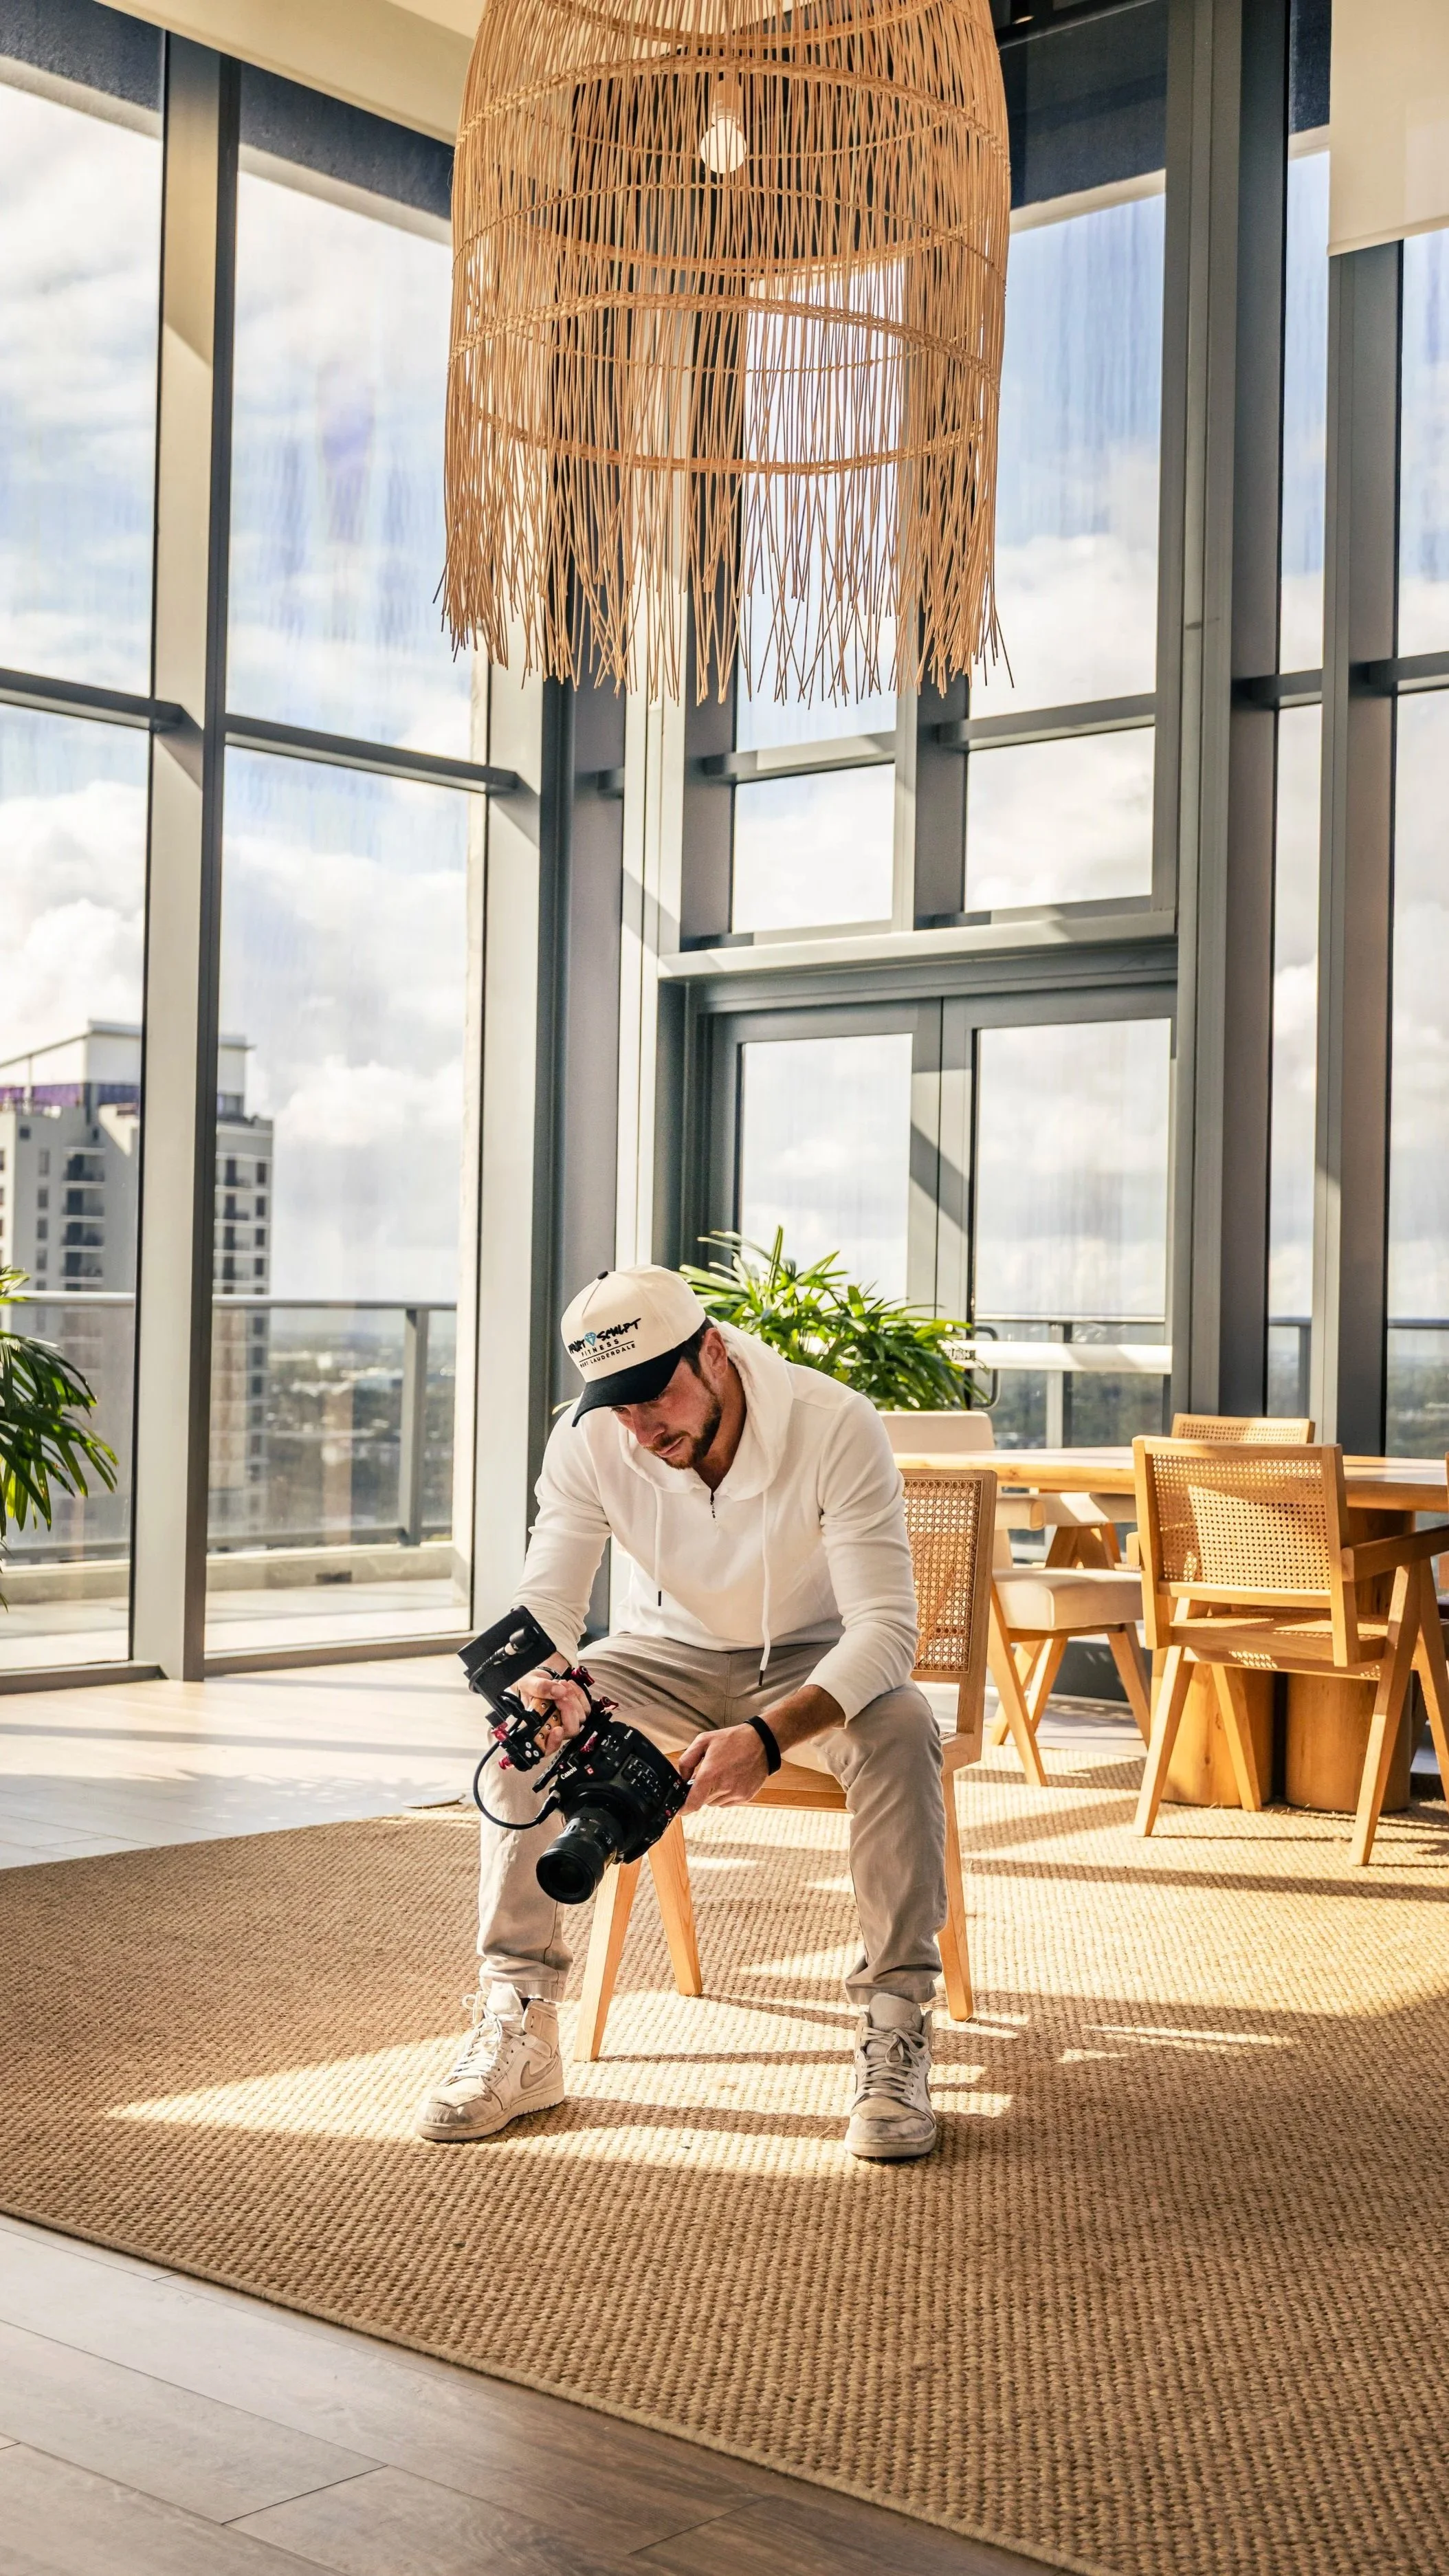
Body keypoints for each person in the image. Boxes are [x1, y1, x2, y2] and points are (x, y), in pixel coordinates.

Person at [416, 1264, 949, 2162]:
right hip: (666, 1657)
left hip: (817, 1659)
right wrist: (537, 1684)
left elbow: (888, 1630)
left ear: (713, 1350)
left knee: (900, 1725)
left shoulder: (833, 1423)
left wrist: (772, 1736)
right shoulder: (593, 1440)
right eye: (617, 1404)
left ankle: (895, 2027)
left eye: (653, 1394)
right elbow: (548, 1598)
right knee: (523, 1749)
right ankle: (521, 2023)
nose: (641, 1424)